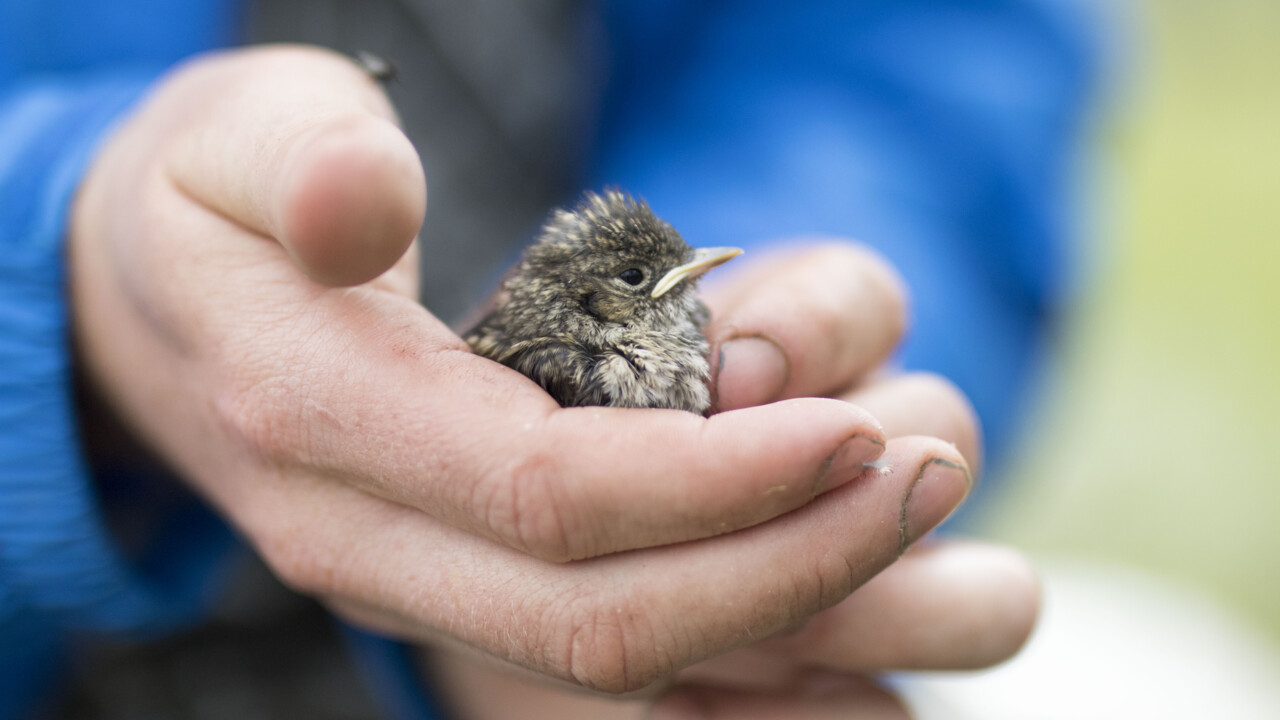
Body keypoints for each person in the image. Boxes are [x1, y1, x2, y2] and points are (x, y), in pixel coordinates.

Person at [0, 1, 1099, 718]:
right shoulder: (542, 354)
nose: (687, 283)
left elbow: (910, 69)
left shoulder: (689, 340)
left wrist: (816, 352)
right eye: (648, 279)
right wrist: (51, 275)